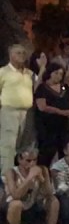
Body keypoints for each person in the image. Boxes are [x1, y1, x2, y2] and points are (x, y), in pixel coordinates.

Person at [3, 147, 61, 224]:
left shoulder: (42, 169)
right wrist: (29, 178)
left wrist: (42, 180)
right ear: (20, 160)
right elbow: (15, 195)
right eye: (28, 161)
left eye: (35, 160)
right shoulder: (11, 172)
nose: (32, 163)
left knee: (53, 201)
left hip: (34, 203)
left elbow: (49, 193)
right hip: (16, 205)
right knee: (16, 204)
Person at [0, 44, 36, 172]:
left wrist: (42, 68)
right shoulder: (3, 72)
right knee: (8, 145)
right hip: (9, 111)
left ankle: (20, 173)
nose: (21, 56)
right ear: (11, 55)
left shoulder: (29, 73)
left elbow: (36, 88)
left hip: (26, 112)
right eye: (18, 53)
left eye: (23, 53)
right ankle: (6, 176)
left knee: (23, 144)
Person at [34, 64, 69, 167]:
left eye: (61, 74)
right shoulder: (42, 88)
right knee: (47, 154)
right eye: (56, 73)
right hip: (48, 127)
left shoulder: (64, 87)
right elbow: (42, 107)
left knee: (64, 152)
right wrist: (62, 112)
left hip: (64, 126)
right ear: (50, 73)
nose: (59, 76)